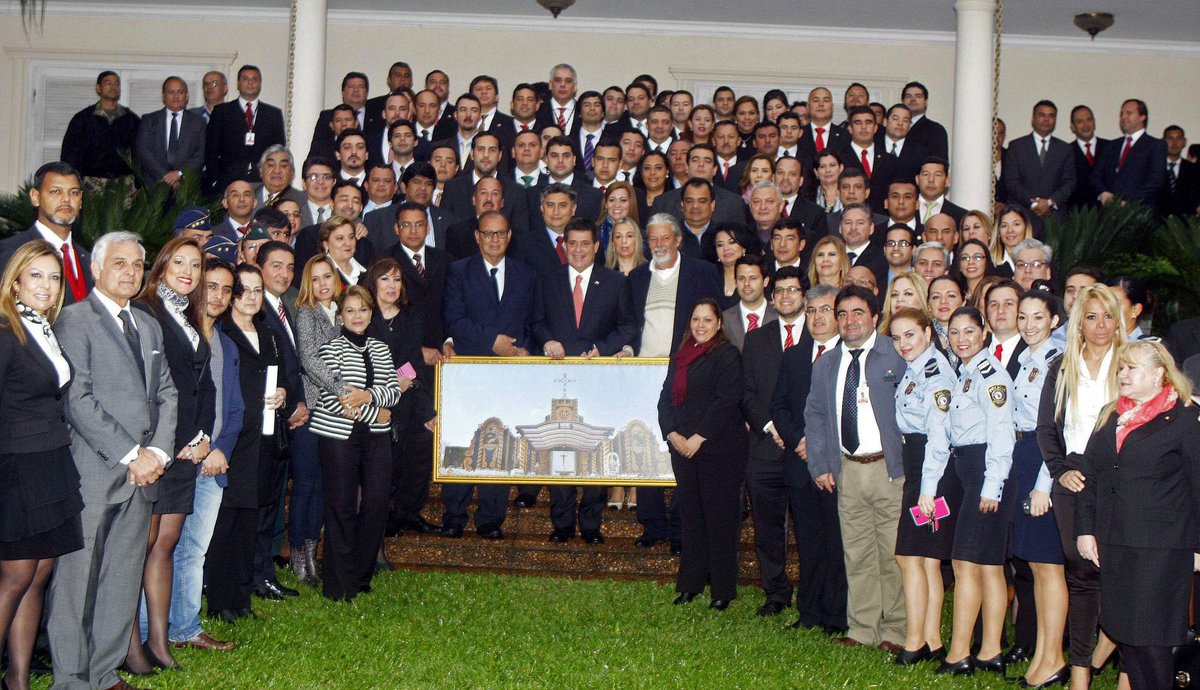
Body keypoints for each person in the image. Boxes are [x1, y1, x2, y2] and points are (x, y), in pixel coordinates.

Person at [48, 231, 178, 690]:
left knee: (121, 578)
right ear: (97, 269)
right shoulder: (73, 320)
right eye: (119, 263)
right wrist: (131, 454)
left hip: (144, 476)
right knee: (77, 581)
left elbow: (166, 391)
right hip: (95, 469)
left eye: (137, 265)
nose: (129, 272)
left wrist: (158, 453)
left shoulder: (148, 324)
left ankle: (103, 672)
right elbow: (78, 399)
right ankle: (70, 678)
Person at [1076, 341, 1200, 690]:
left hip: (1161, 548)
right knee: (1124, 632)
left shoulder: (1184, 419)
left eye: (1132, 368)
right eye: (1121, 368)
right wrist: (1085, 530)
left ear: (1160, 373)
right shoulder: (1111, 414)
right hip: (1114, 542)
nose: (1123, 374)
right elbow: (1091, 477)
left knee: (1151, 635)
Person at [127, 237, 217, 673]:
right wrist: (168, 442)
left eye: (196, 265)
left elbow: (201, 387)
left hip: (185, 452)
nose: (188, 271)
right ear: (160, 267)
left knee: (166, 545)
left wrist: (203, 438)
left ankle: (160, 643)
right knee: (137, 549)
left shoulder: (188, 315)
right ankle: (128, 646)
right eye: (179, 262)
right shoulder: (146, 313)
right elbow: (147, 390)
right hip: (157, 450)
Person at [0, 241, 84, 690]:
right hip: (17, 467)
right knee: (15, 575)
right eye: (36, 276)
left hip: (51, 460)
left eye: (54, 278)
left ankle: (18, 681)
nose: (47, 286)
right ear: (14, 281)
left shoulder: (43, 329)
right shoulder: (4, 331)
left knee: (39, 573)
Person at [804, 285, 906, 652]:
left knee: (892, 553)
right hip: (847, 469)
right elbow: (814, 415)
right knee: (858, 552)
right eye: (843, 313)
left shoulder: (894, 355)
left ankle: (896, 630)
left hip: (889, 470)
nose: (849, 321)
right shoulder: (828, 363)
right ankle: (863, 628)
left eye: (858, 312)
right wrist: (820, 464)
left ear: (875, 317)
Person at [1036, 284, 1126, 689]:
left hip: (1119, 478)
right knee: (1080, 571)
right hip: (1071, 474)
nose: (1101, 325)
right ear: (1079, 323)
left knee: (1121, 573)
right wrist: (1058, 470)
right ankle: (1080, 673)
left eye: (1108, 316)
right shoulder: (1061, 365)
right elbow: (1045, 428)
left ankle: (1115, 650)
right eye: (1091, 317)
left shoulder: (1130, 363)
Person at [532, 219, 636, 543]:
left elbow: (628, 326)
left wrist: (602, 349)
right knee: (559, 448)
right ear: (565, 246)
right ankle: (561, 524)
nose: (578, 250)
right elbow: (535, 322)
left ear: (595, 247)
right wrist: (547, 340)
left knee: (595, 450)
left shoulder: (616, 282)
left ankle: (591, 524)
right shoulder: (547, 281)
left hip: (598, 380)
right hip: (557, 379)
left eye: (584, 244)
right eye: (572, 244)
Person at [442, 211, 537, 538]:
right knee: (463, 440)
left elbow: (532, 322)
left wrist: (525, 349)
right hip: (469, 372)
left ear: (509, 236)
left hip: (510, 375)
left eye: (500, 234)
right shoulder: (458, 271)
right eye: (488, 233)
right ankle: (454, 516)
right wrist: (491, 342)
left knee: (500, 440)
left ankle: (490, 519)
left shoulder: (526, 274)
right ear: (477, 236)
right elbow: (454, 319)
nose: (494, 239)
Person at [210, 263, 293, 622]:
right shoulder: (220, 331)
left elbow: (284, 377)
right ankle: (220, 601)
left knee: (251, 522)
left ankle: (242, 599)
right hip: (232, 439)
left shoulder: (270, 332)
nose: (251, 296)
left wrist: (284, 394)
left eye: (258, 290)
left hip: (265, 437)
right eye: (243, 289)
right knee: (225, 522)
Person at [937, 306, 1016, 676]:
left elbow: (1002, 433)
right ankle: (989, 651)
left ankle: (958, 653)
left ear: (984, 333)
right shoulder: (964, 373)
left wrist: (992, 486)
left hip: (986, 473)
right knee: (987, 567)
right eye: (954, 333)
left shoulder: (990, 375)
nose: (962, 339)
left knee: (966, 563)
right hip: (970, 472)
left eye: (969, 331)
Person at [167, 258, 241, 654]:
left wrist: (219, 451)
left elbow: (235, 410)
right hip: (176, 461)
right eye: (211, 286)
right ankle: (150, 630)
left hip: (213, 464)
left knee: (194, 550)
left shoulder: (227, 345)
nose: (217, 296)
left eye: (226, 290)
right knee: (164, 549)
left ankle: (184, 627)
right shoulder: (179, 335)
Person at [310, 286, 403, 601]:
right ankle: (338, 585)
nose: (357, 316)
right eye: (350, 310)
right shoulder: (330, 349)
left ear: (370, 313)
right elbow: (337, 400)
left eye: (363, 309)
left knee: (377, 503)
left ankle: (361, 576)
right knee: (341, 507)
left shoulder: (381, 348)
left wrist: (368, 398)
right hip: (339, 435)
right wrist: (375, 412)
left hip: (375, 440)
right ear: (340, 315)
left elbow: (394, 390)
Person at [658, 298, 747, 610]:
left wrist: (698, 438)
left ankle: (722, 591)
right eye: (696, 319)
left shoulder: (726, 354)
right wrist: (672, 434)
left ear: (719, 324)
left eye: (707, 320)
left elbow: (726, 400)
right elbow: (664, 401)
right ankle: (690, 586)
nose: (700, 325)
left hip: (719, 450)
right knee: (691, 519)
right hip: (682, 449)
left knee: (720, 521)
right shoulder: (680, 356)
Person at [889, 307, 959, 665]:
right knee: (925, 559)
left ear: (928, 334)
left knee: (913, 556)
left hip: (933, 473)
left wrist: (928, 490)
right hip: (920, 469)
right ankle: (930, 641)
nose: (903, 344)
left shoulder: (935, 373)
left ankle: (915, 640)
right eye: (897, 337)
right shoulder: (915, 370)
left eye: (910, 335)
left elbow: (939, 436)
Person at [1009, 291, 1068, 688]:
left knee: (1050, 567)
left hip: (1043, 462)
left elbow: (1056, 429)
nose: (1029, 325)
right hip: (1022, 457)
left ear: (1054, 321)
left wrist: (1045, 485)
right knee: (1034, 566)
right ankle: (1044, 658)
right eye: (1023, 317)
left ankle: (1054, 659)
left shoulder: (1057, 362)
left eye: (1038, 318)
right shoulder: (1024, 359)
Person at [740, 267, 805, 618]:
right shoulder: (756, 339)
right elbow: (747, 392)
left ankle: (814, 590)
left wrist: (798, 435)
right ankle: (775, 591)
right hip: (765, 448)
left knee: (810, 526)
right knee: (767, 527)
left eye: (792, 290)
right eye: (779, 290)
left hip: (807, 449)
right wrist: (771, 426)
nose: (785, 296)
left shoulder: (820, 336)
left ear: (804, 295)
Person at [363, 257, 440, 537]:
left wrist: (427, 412)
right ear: (373, 283)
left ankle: (409, 514)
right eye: (385, 279)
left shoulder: (410, 317)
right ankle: (382, 519)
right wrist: (390, 382)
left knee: (418, 455)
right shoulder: (364, 318)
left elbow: (413, 368)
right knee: (384, 468)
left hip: (410, 400)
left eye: (397, 279)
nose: (392, 285)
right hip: (375, 405)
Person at [291, 255, 346, 583]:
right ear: (307, 285)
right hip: (314, 409)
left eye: (328, 276)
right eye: (316, 278)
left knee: (324, 485)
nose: (323, 284)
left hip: (334, 414)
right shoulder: (307, 314)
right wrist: (341, 388)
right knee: (306, 485)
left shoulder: (342, 313)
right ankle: (298, 553)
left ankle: (313, 554)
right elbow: (310, 359)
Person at [0, 162, 92, 307]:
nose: (66, 199)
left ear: (81, 200)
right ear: (35, 197)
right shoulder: (11, 251)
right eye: (56, 191)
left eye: (73, 192)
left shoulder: (89, 259)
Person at [204, 65, 287, 194]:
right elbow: (211, 150)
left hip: (262, 181)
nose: (250, 82)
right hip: (228, 181)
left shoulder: (273, 114)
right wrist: (215, 179)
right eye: (245, 78)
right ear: (238, 83)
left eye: (255, 79)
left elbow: (279, 149)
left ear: (260, 84)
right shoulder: (222, 112)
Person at [60, 71, 140, 186]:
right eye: (108, 83)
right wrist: (73, 183)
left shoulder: (131, 119)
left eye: (117, 84)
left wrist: (139, 184)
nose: (114, 87)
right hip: (91, 184)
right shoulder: (83, 119)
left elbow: (140, 154)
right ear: (98, 88)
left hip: (124, 185)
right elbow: (70, 155)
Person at [134, 76, 206, 190]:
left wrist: (179, 174)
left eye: (180, 92)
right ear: (163, 96)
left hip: (185, 187)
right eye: (171, 92)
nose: (176, 96)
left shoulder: (198, 122)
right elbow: (143, 151)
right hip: (154, 185)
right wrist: (165, 176)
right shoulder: (149, 120)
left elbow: (201, 154)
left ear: (187, 96)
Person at [319, 215, 369, 287]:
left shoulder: (367, 269)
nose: (348, 243)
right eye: (340, 238)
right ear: (326, 244)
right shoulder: (319, 272)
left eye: (351, 237)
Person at [877, 272, 928, 336]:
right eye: (894, 295)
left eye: (908, 294)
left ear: (922, 299)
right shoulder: (879, 337)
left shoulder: (936, 335)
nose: (899, 299)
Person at [992, 205, 1034, 277]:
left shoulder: (1040, 259)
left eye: (1016, 224)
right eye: (1004, 226)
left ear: (1026, 228)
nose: (1010, 230)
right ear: (998, 232)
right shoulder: (990, 264)